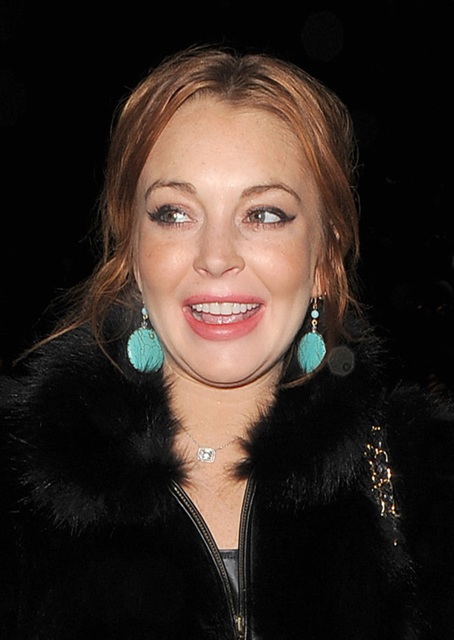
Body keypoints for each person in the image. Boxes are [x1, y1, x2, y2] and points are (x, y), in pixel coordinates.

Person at [1, 45, 453, 640]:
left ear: (324, 259)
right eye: (174, 213)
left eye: (264, 215)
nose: (216, 257)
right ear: (132, 253)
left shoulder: (424, 478)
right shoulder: (18, 483)